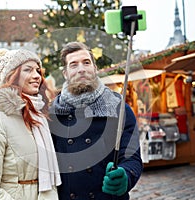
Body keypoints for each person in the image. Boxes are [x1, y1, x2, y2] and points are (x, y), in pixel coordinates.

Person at [48, 41, 143, 200]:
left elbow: (132, 158)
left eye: (86, 62)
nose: (81, 69)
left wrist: (125, 176)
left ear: (95, 68)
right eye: (74, 65)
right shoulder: (52, 113)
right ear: (65, 73)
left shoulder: (119, 107)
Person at [0, 48, 61, 199]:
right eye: (28, 70)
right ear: (12, 76)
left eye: (38, 70)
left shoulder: (38, 118)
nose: (36, 76)